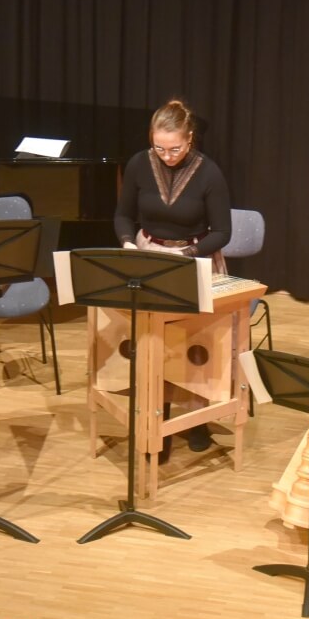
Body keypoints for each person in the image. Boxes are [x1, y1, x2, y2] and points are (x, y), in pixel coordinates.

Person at [114, 99, 232, 453]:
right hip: (148, 253)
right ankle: (157, 419)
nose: (166, 156)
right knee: (154, 341)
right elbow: (123, 215)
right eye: (159, 148)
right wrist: (126, 244)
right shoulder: (139, 163)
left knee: (196, 341)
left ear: (190, 138)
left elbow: (222, 232)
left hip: (193, 256)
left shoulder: (209, 172)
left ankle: (198, 420)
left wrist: (187, 253)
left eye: (175, 148)